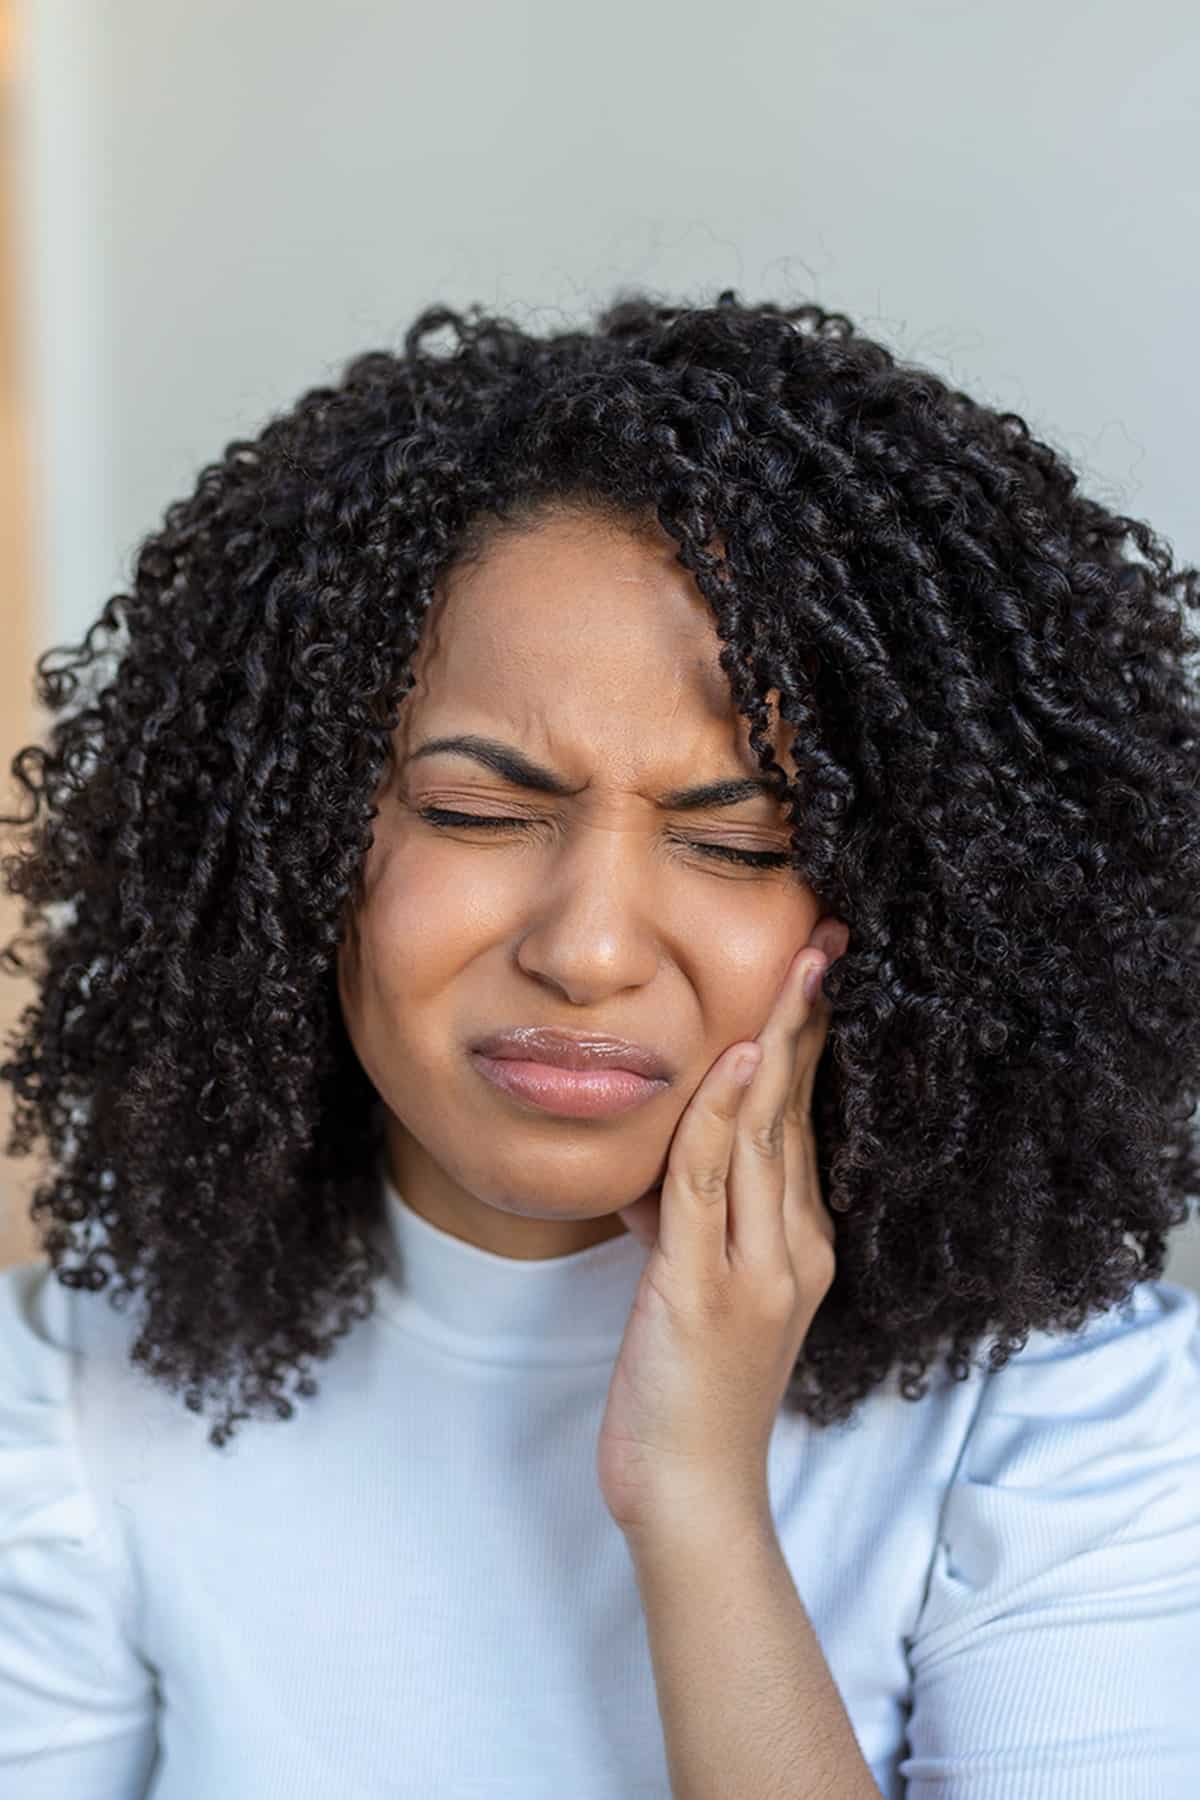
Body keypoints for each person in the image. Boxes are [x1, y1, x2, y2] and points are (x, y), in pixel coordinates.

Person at [1, 289, 1198, 1798]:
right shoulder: (64, 1405)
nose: (587, 947)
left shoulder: (1067, 1423)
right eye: (477, 814)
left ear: (926, 903)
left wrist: (698, 1506)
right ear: (291, 842)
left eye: (747, 842)